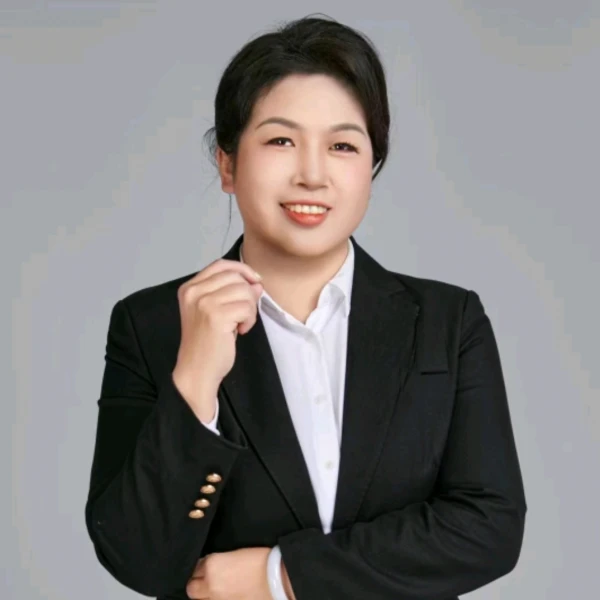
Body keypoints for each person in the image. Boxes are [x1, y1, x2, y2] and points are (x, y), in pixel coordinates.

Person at [84, 14, 527, 600]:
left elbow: (490, 527)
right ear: (227, 163)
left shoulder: (449, 322)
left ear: (370, 168)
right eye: (280, 141)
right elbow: (135, 558)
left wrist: (282, 576)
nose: (312, 175)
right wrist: (193, 384)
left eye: (342, 145)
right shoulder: (151, 325)